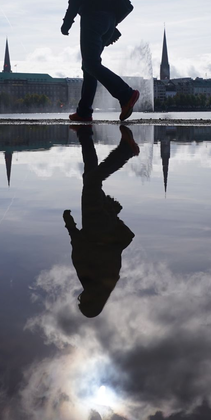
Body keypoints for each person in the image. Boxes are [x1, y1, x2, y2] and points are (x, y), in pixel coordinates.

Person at [61, 0, 139, 122]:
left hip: (93, 18)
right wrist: (112, 26)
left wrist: (68, 21)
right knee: (90, 66)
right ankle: (84, 110)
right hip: (109, 21)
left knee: (90, 64)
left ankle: (125, 94)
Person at [63, 125, 139, 317]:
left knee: (90, 175)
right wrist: (70, 225)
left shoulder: (108, 282)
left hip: (100, 224)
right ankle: (125, 151)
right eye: (83, 300)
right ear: (91, 301)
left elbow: (107, 248)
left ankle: (85, 134)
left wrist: (111, 213)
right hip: (94, 223)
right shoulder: (92, 280)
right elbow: (79, 249)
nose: (81, 297)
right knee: (92, 181)